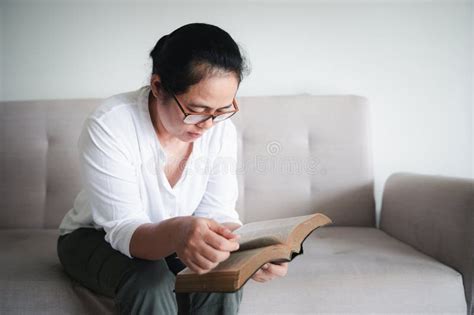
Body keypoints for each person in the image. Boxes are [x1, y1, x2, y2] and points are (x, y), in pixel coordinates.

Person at [57, 22, 288, 315]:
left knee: (220, 273)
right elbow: (124, 229)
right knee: (150, 280)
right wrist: (179, 232)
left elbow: (217, 215)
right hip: (93, 236)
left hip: (177, 236)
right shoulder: (111, 125)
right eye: (198, 110)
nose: (208, 125)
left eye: (222, 110)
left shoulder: (219, 130)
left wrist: (251, 250)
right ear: (158, 87)